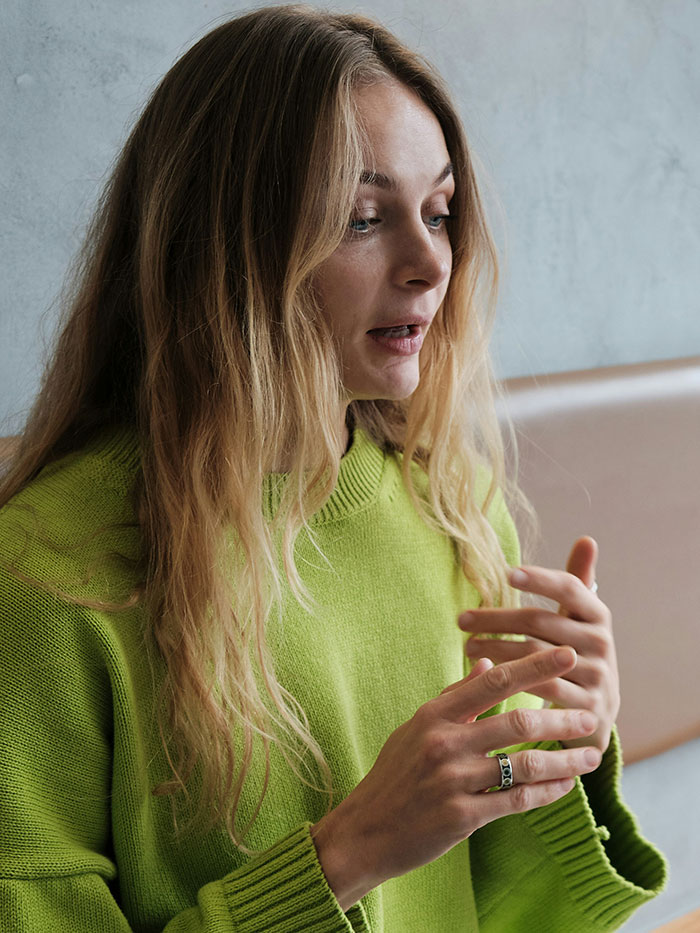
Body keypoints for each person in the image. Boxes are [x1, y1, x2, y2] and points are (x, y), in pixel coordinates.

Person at [0, 5, 666, 931]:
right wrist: (347, 854)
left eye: (439, 212)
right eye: (362, 218)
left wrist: (568, 742)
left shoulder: (452, 503)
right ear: (226, 249)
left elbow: (495, 905)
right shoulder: (46, 576)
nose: (429, 262)